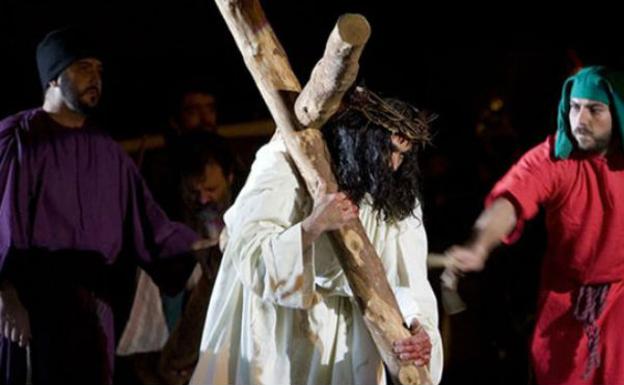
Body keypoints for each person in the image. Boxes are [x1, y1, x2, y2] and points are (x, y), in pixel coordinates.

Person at [190, 87, 443, 385]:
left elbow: (412, 282)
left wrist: (419, 329)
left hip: (347, 342)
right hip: (279, 333)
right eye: (387, 150)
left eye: (403, 155)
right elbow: (248, 255)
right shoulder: (284, 162)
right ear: (361, 141)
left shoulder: (396, 195)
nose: (393, 165)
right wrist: (312, 227)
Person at [0, 27, 201, 384]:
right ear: (53, 79)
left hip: (94, 314)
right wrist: (5, 295)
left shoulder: (107, 152)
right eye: (82, 68)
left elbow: (150, 225)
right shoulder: (19, 141)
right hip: (31, 312)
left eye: (98, 69)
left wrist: (204, 253)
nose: (95, 78)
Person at [446, 66, 624, 385]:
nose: (580, 119)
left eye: (594, 109)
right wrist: (479, 244)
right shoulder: (555, 157)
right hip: (565, 303)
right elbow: (511, 199)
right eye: (574, 107)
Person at [118, 132, 237, 385]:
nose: (204, 199)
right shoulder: (170, 227)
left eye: (212, 189)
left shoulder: (242, 218)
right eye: (195, 191)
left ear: (230, 178)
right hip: (170, 352)